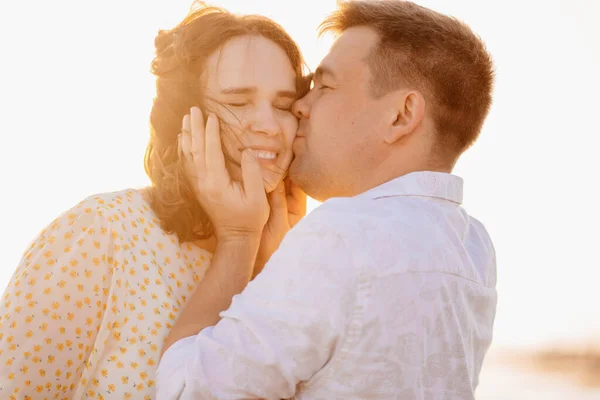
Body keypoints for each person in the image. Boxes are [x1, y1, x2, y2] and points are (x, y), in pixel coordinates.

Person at [156, 1, 498, 399]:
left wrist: (237, 236)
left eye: (325, 86)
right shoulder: (474, 247)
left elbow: (185, 391)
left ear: (401, 115)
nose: (301, 105)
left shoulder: (341, 235)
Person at [0, 3, 308, 398]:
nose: (269, 125)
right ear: (184, 118)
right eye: (237, 102)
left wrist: (268, 268)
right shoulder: (101, 232)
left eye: (283, 105)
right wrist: (238, 239)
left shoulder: (294, 259)